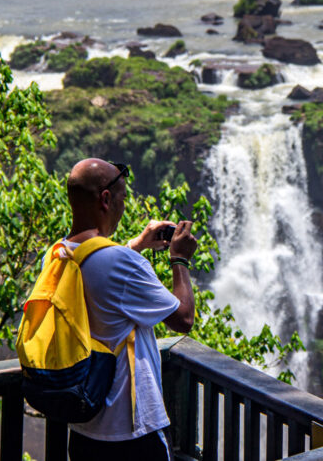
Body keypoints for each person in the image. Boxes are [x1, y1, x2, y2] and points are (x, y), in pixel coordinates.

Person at [62, 158, 196, 461]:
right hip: (133, 432)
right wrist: (180, 260)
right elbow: (183, 318)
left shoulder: (59, 254)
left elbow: (101, 271)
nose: (124, 207)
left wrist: (135, 245)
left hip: (84, 428)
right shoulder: (122, 264)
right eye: (123, 198)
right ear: (106, 199)